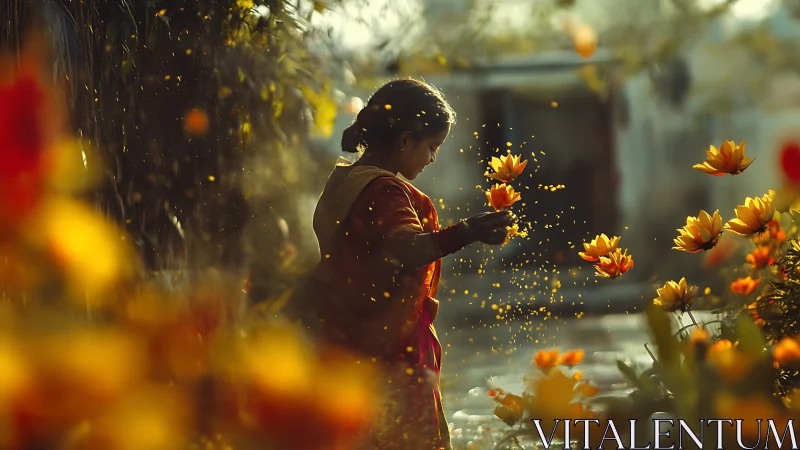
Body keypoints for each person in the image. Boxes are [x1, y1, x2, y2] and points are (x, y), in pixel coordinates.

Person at [293, 78, 515, 449]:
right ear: (405, 140)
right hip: (388, 350)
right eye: (431, 147)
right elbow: (404, 250)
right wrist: (468, 231)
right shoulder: (384, 190)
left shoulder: (345, 183)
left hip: (345, 339)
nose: (432, 158)